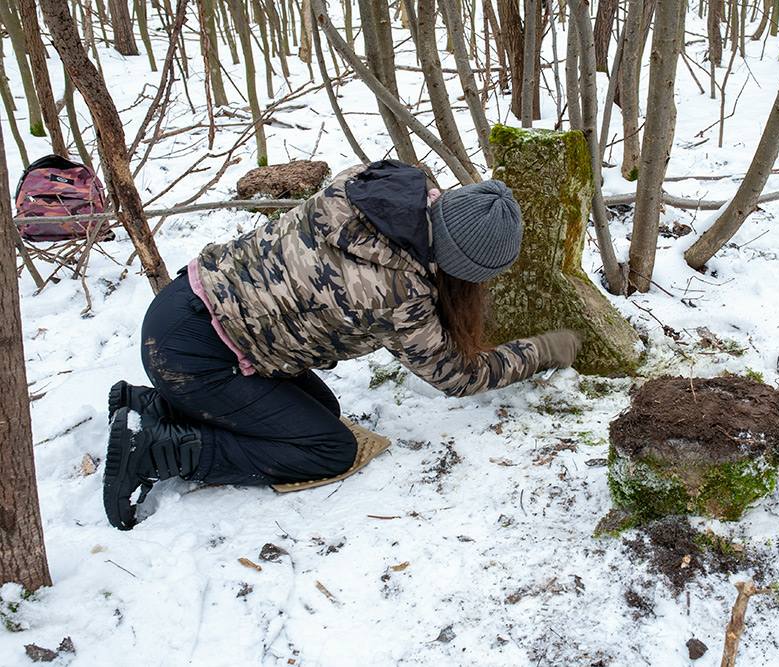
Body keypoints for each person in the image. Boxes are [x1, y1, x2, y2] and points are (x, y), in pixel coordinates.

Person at [104, 160, 582, 530]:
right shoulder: (399, 294)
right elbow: (458, 376)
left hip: (185, 303)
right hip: (196, 356)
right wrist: (541, 351)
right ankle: (158, 450)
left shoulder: (384, 185)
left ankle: (151, 403)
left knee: (323, 408)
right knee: (327, 448)